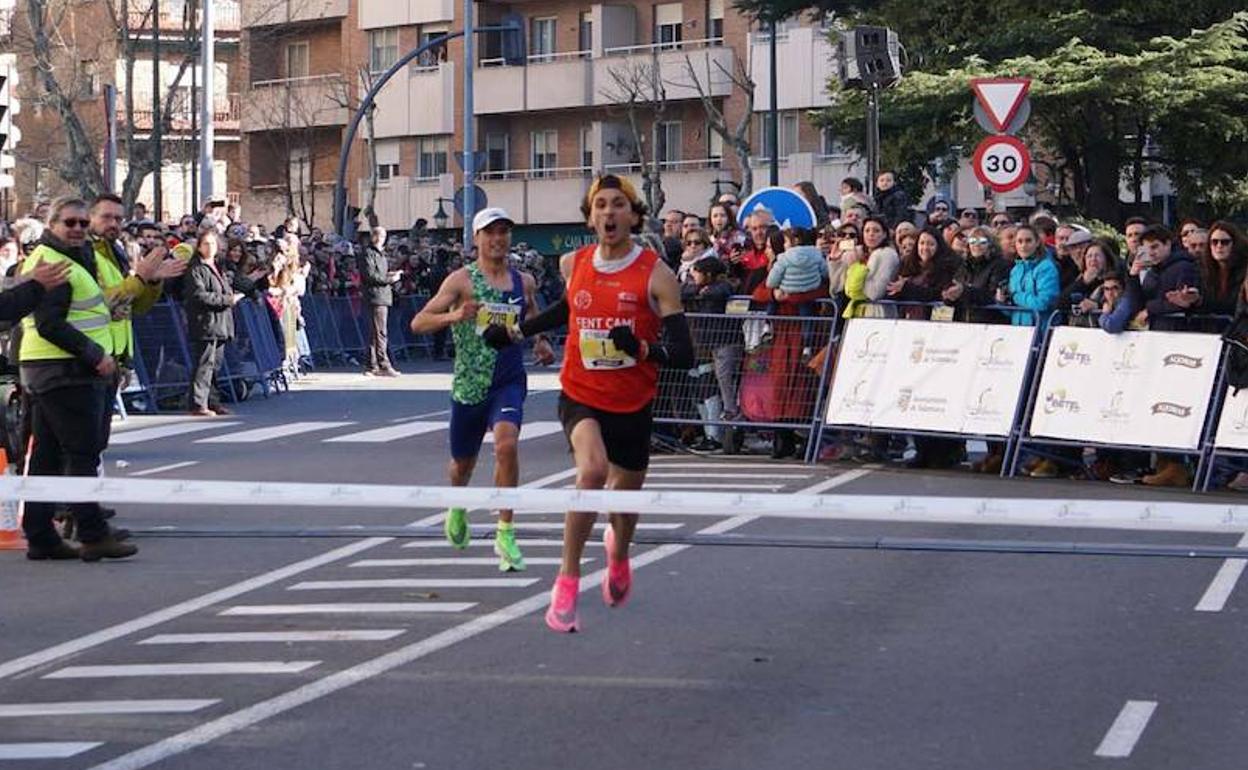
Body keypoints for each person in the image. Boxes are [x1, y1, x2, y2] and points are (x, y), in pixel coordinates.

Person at [493, 175, 694, 633]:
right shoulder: (573, 262)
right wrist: (514, 332)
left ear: (634, 215)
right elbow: (568, 310)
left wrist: (642, 349)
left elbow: (683, 354)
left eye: (618, 204)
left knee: (624, 503)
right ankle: (566, 580)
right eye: (600, 205)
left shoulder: (656, 274)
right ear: (590, 216)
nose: (608, 213)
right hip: (581, 392)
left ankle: (619, 554)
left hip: (633, 400)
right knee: (591, 472)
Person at [411, 208, 554, 571]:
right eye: (490, 232)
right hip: (469, 384)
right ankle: (457, 504)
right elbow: (419, 322)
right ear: (476, 238)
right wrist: (454, 316)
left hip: (507, 381)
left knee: (507, 446)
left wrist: (540, 342)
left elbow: (533, 314)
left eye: (504, 231)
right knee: (463, 465)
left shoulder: (524, 281)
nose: (498, 239)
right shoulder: (461, 281)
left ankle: (505, 530)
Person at [19, 198, 134, 561]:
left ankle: (40, 535)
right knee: (82, 452)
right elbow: (50, 324)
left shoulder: (69, 258)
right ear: (52, 224)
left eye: (84, 224)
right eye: (70, 223)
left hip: (50, 370)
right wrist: (94, 354)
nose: (79, 229)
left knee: (48, 456)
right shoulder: (55, 263)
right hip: (65, 370)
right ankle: (92, 532)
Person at [183, 229, 242, 416]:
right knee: (204, 364)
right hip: (205, 323)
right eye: (206, 244)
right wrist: (227, 300)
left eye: (213, 244)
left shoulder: (217, 267)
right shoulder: (196, 269)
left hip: (221, 323)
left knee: (215, 365)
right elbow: (199, 295)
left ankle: (213, 400)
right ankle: (198, 403)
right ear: (199, 247)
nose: (210, 248)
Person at [765, 226, 828, 357]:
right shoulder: (816, 254)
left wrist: (775, 288)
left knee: (772, 302)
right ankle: (807, 346)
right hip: (807, 293)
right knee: (807, 319)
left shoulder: (783, 258)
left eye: (786, 241)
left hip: (787, 292)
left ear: (796, 240)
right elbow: (825, 272)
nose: (784, 245)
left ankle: (767, 325)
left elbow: (771, 281)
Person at [358, 226, 402, 377]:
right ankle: (382, 364)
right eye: (379, 236)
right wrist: (389, 279)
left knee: (377, 333)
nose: (381, 239)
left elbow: (379, 274)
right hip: (375, 296)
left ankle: (374, 364)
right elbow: (370, 275)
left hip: (383, 296)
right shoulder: (368, 254)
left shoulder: (381, 255)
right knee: (379, 332)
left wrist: (390, 275)